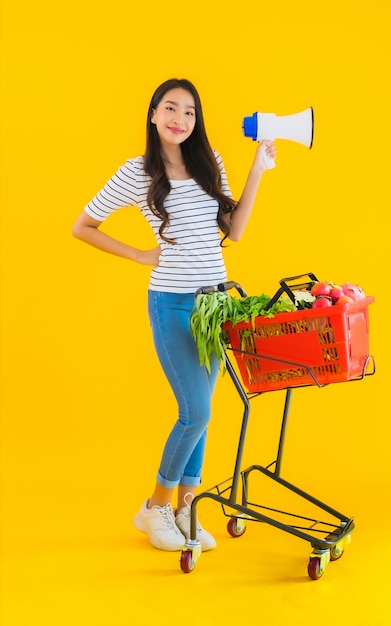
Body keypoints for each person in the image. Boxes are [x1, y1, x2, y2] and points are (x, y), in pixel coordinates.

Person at [72, 78, 276, 552]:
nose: (179, 119)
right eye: (170, 108)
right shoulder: (136, 172)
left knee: (202, 417)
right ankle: (154, 507)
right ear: (153, 114)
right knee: (196, 410)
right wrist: (139, 255)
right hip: (173, 303)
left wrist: (258, 169)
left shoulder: (210, 164)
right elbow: (83, 226)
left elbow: (236, 231)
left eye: (188, 112)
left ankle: (187, 508)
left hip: (216, 305)